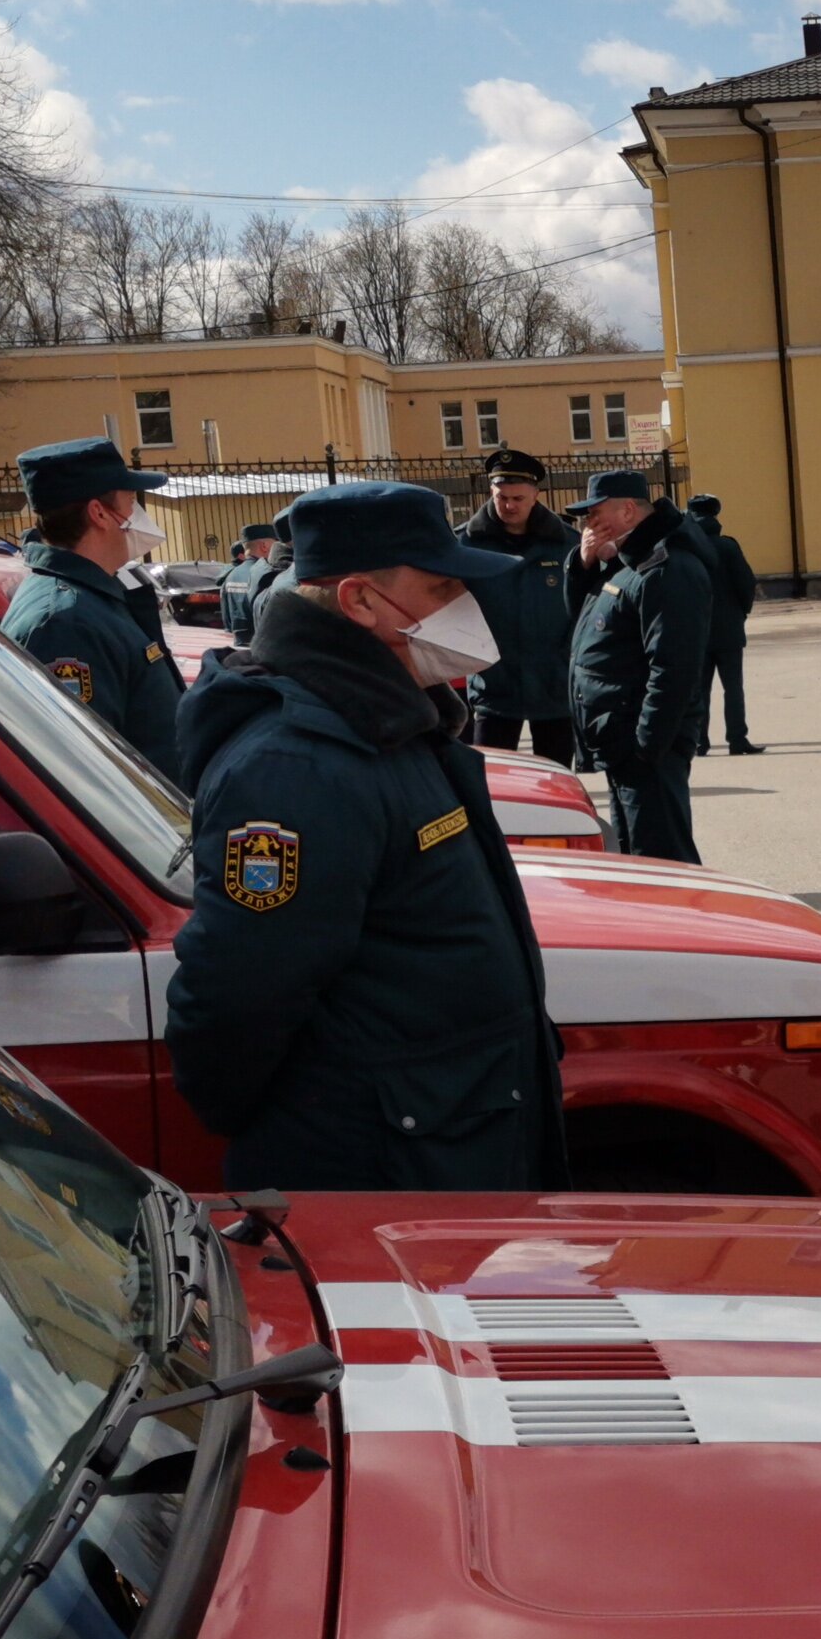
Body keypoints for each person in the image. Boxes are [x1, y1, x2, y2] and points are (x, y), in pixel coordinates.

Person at [162, 479, 566, 1193]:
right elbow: (239, 994)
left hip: (444, 1138)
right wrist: (297, 1128)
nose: (464, 607)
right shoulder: (297, 765)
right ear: (359, 601)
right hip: (382, 1164)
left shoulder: (388, 719)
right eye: (442, 588)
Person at [4, 435, 186, 769]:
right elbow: (89, 767)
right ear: (99, 513)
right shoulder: (64, 622)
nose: (138, 513)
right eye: (131, 501)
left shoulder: (91, 599)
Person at [565, 467, 713, 860]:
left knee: (663, 860)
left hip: (645, 747)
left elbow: (673, 668)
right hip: (621, 742)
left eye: (596, 514)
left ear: (629, 511)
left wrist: (646, 747)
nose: (589, 524)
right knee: (636, 859)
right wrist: (582, 566)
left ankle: (686, 923)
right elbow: (585, 625)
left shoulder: (666, 568)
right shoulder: (627, 559)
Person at [460, 449, 579, 761]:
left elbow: (585, 606)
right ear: (491, 493)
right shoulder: (465, 545)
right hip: (494, 684)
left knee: (555, 785)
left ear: (535, 496)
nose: (510, 505)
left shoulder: (568, 544)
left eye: (518, 498)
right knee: (493, 788)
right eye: (503, 498)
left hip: (553, 684)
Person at [686, 491, 763, 753]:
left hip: (696, 630)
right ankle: (737, 740)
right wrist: (741, 612)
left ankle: (699, 741)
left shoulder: (686, 549)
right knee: (733, 688)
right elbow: (746, 583)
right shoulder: (728, 546)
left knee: (698, 690)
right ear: (715, 515)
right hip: (729, 629)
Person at [214, 520, 284, 650]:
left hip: (238, 645)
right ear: (264, 546)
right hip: (263, 646)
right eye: (275, 544)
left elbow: (227, 620)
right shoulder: (265, 573)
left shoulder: (230, 575)